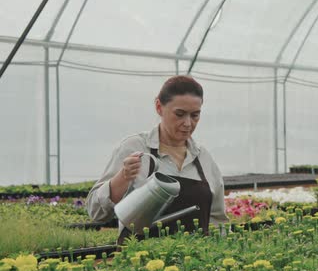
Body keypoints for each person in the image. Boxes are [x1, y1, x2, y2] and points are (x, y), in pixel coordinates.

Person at [86, 75, 227, 244]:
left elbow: (218, 221)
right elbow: (96, 212)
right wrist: (122, 177)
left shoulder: (203, 158)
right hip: (141, 263)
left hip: (193, 264)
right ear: (159, 107)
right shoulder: (136, 147)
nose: (188, 123)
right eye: (180, 114)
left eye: (195, 115)